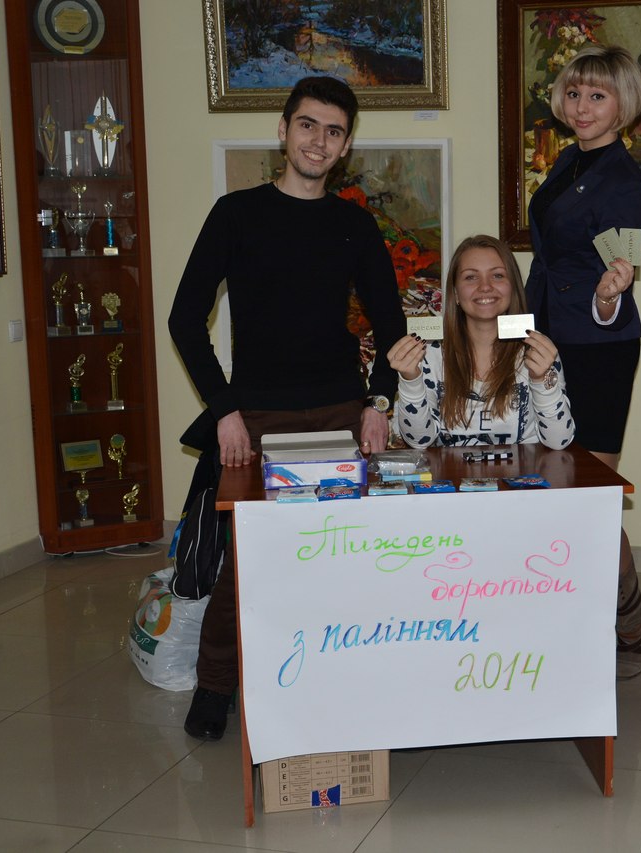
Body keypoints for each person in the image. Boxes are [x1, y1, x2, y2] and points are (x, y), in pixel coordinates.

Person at [168, 76, 406, 741]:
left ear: (346, 145)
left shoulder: (355, 226)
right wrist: (224, 410)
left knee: (345, 556)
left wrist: (379, 401)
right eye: (308, 125)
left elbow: (391, 327)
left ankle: (337, 672)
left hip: (340, 413)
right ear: (283, 130)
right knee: (247, 560)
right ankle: (217, 682)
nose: (318, 141)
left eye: (333, 131)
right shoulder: (235, 214)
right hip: (257, 419)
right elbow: (185, 319)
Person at [526, 44, 641, 677]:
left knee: (588, 496)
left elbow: (615, 279)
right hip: (545, 336)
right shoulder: (569, 160)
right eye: (574, 93)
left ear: (623, 104)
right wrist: (511, 330)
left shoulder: (621, 178)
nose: (581, 106)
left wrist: (608, 294)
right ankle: (568, 617)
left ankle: (626, 617)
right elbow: (547, 264)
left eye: (597, 95)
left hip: (598, 347)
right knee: (547, 486)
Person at [389, 234, 574, 449]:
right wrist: (410, 380)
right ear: (455, 292)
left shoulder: (537, 350)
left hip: (525, 471)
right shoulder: (428, 352)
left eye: (497, 275)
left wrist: (541, 380)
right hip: (450, 472)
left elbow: (558, 441)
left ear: (513, 287)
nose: (485, 286)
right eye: (470, 277)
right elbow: (418, 441)